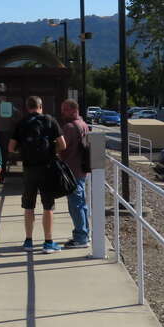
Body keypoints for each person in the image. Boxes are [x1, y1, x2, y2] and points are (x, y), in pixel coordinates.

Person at [9, 96, 66, 253]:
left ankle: (28, 242)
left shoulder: (21, 123)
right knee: (48, 207)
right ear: (41, 106)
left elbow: (11, 147)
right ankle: (48, 243)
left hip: (29, 170)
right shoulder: (50, 120)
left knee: (29, 206)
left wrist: (24, 150)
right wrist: (51, 151)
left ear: (28, 107)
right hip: (47, 169)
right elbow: (63, 144)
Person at [60, 99, 90, 248]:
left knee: (75, 205)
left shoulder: (69, 127)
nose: (62, 112)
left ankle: (80, 237)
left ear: (73, 110)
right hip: (82, 170)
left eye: (65, 109)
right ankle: (85, 233)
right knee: (82, 203)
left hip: (72, 170)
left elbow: (61, 147)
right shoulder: (84, 125)